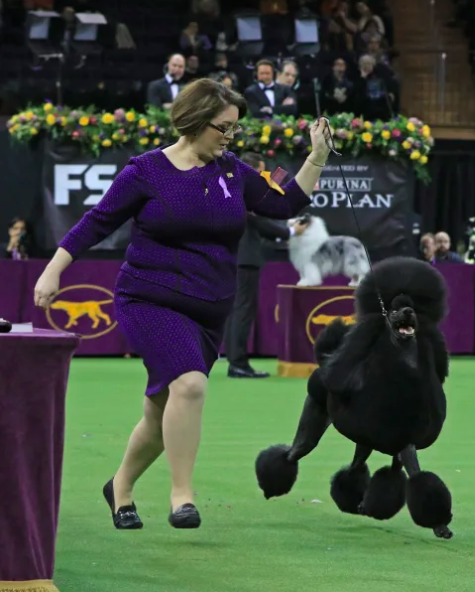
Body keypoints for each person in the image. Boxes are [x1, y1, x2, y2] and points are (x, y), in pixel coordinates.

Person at [33, 78, 329, 530]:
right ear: (194, 121)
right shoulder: (146, 171)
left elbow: (286, 203)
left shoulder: (234, 171)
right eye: (223, 128)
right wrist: (54, 268)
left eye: (234, 130)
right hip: (150, 298)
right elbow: (97, 222)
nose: (230, 138)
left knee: (160, 412)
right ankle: (182, 495)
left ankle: (120, 488)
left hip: (209, 308)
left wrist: (317, 157)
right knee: (189, 386)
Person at [225, 152, 309, 378]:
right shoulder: (243, 192)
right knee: (242, 311)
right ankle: (238, 365)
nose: (265, 177)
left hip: (233, 257)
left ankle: (234, 360)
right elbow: (260, 222)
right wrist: (290, 231)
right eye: (261, 171)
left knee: (236, 311)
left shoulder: (232, 187)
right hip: (244, 259)